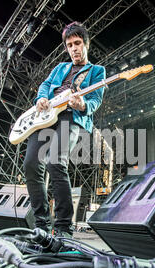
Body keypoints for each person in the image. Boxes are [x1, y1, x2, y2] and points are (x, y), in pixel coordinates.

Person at [23, 22, 106, 237]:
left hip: (71, 116)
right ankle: (41, 224)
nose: (74, 48)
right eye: (70, 45)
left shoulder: (97, 71)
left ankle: (63, 227)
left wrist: (83, 105)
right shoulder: (60, 67)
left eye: (78, 43)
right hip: (46, 116)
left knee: (55, 162)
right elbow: (45, 85)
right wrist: (41, 97)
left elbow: (95, 100)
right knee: (31, 164)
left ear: (86, 44)